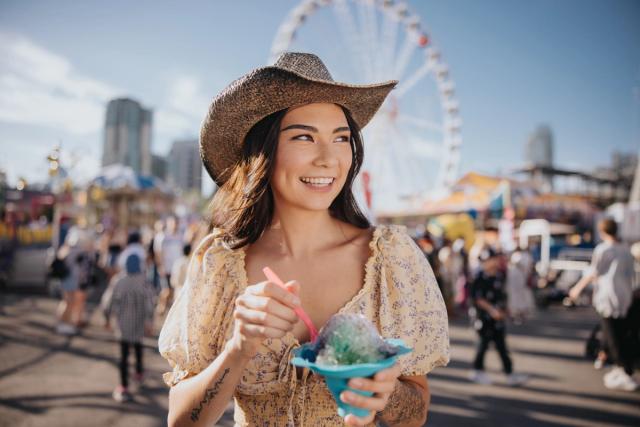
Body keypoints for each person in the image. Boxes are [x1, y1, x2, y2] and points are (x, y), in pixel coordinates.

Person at [158, 52, 450, 427]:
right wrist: (238, 348)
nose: (328, 158)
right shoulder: (220, 264)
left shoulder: (390, 259)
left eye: (341, 138)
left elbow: (415, 413)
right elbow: (180, 421)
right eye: (303, 137)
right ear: (263, 151)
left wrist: (386, 393)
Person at [569, 218, 637, 391]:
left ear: (603, 232)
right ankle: (618, 367)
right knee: (619, 333)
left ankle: (624, 371)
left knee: (613, 336)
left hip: (608, 297)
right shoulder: (626, 250)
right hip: (624, 297)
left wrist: (576, 289)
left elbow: (594, 272)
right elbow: (631, 276)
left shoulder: (603, 249)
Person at [468, 247, 528, 386]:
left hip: (498, 318)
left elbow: (502, 295)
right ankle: (477, 371)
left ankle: (510, 373)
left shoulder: (499, 276)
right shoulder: (479, 277)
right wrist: (491, 310)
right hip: (484, 318)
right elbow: (478, 299)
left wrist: (504, 310)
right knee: (483, 345)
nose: (491, 262)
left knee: (501, 346)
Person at [105, 254, 155, 402]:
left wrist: (106, 317)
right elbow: (150, 303)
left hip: (122, 324)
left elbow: (108, 301)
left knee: (124, 355)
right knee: (139, 348)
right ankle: (139, 373)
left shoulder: (118, 281)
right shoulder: (144, 281)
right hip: (139, 323)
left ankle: (123, 386)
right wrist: (149, 321)